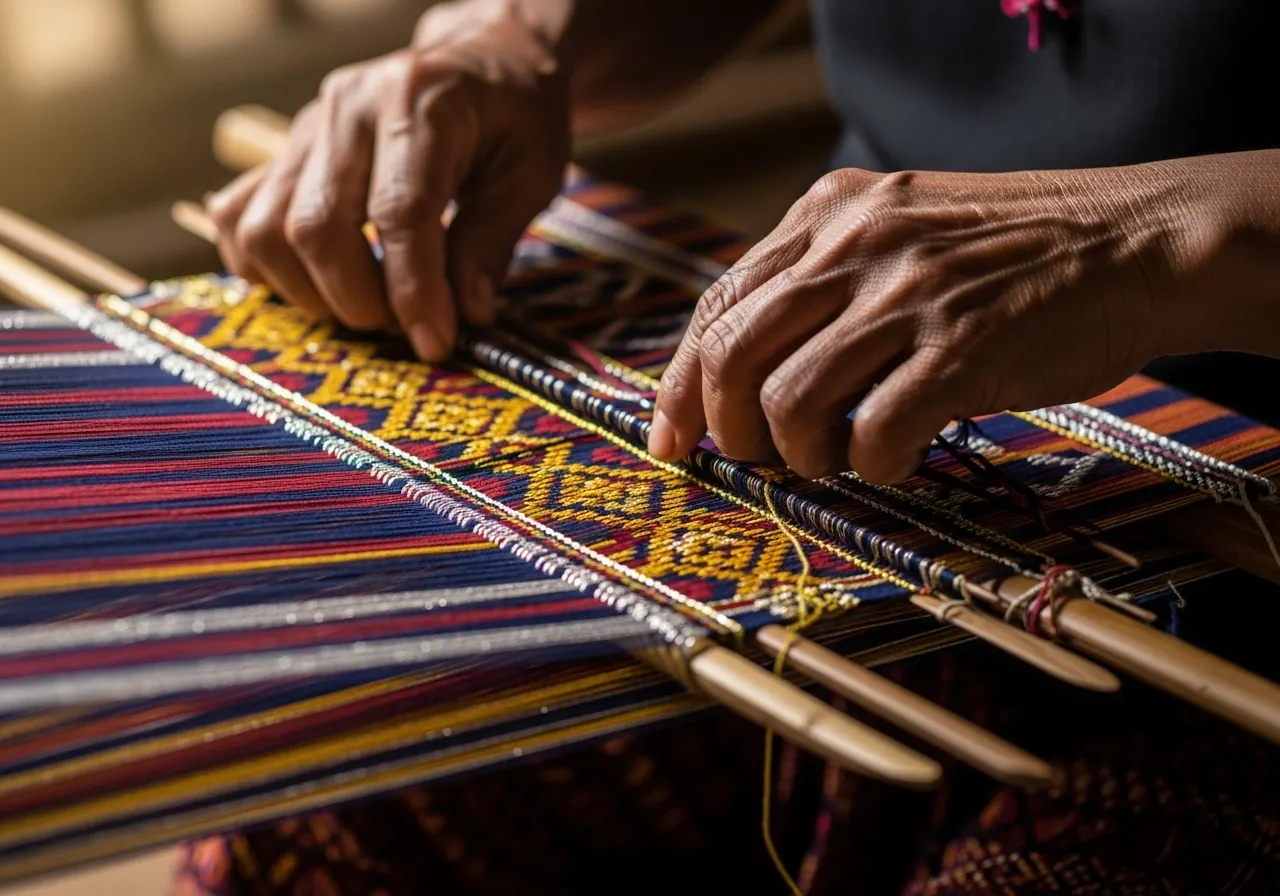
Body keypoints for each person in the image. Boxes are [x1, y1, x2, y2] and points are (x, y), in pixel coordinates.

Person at [187, 1, 1280, 893]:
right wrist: (522, 35)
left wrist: (1154, 237)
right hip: (853, 454)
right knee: (307, 829)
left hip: (1241, 562)